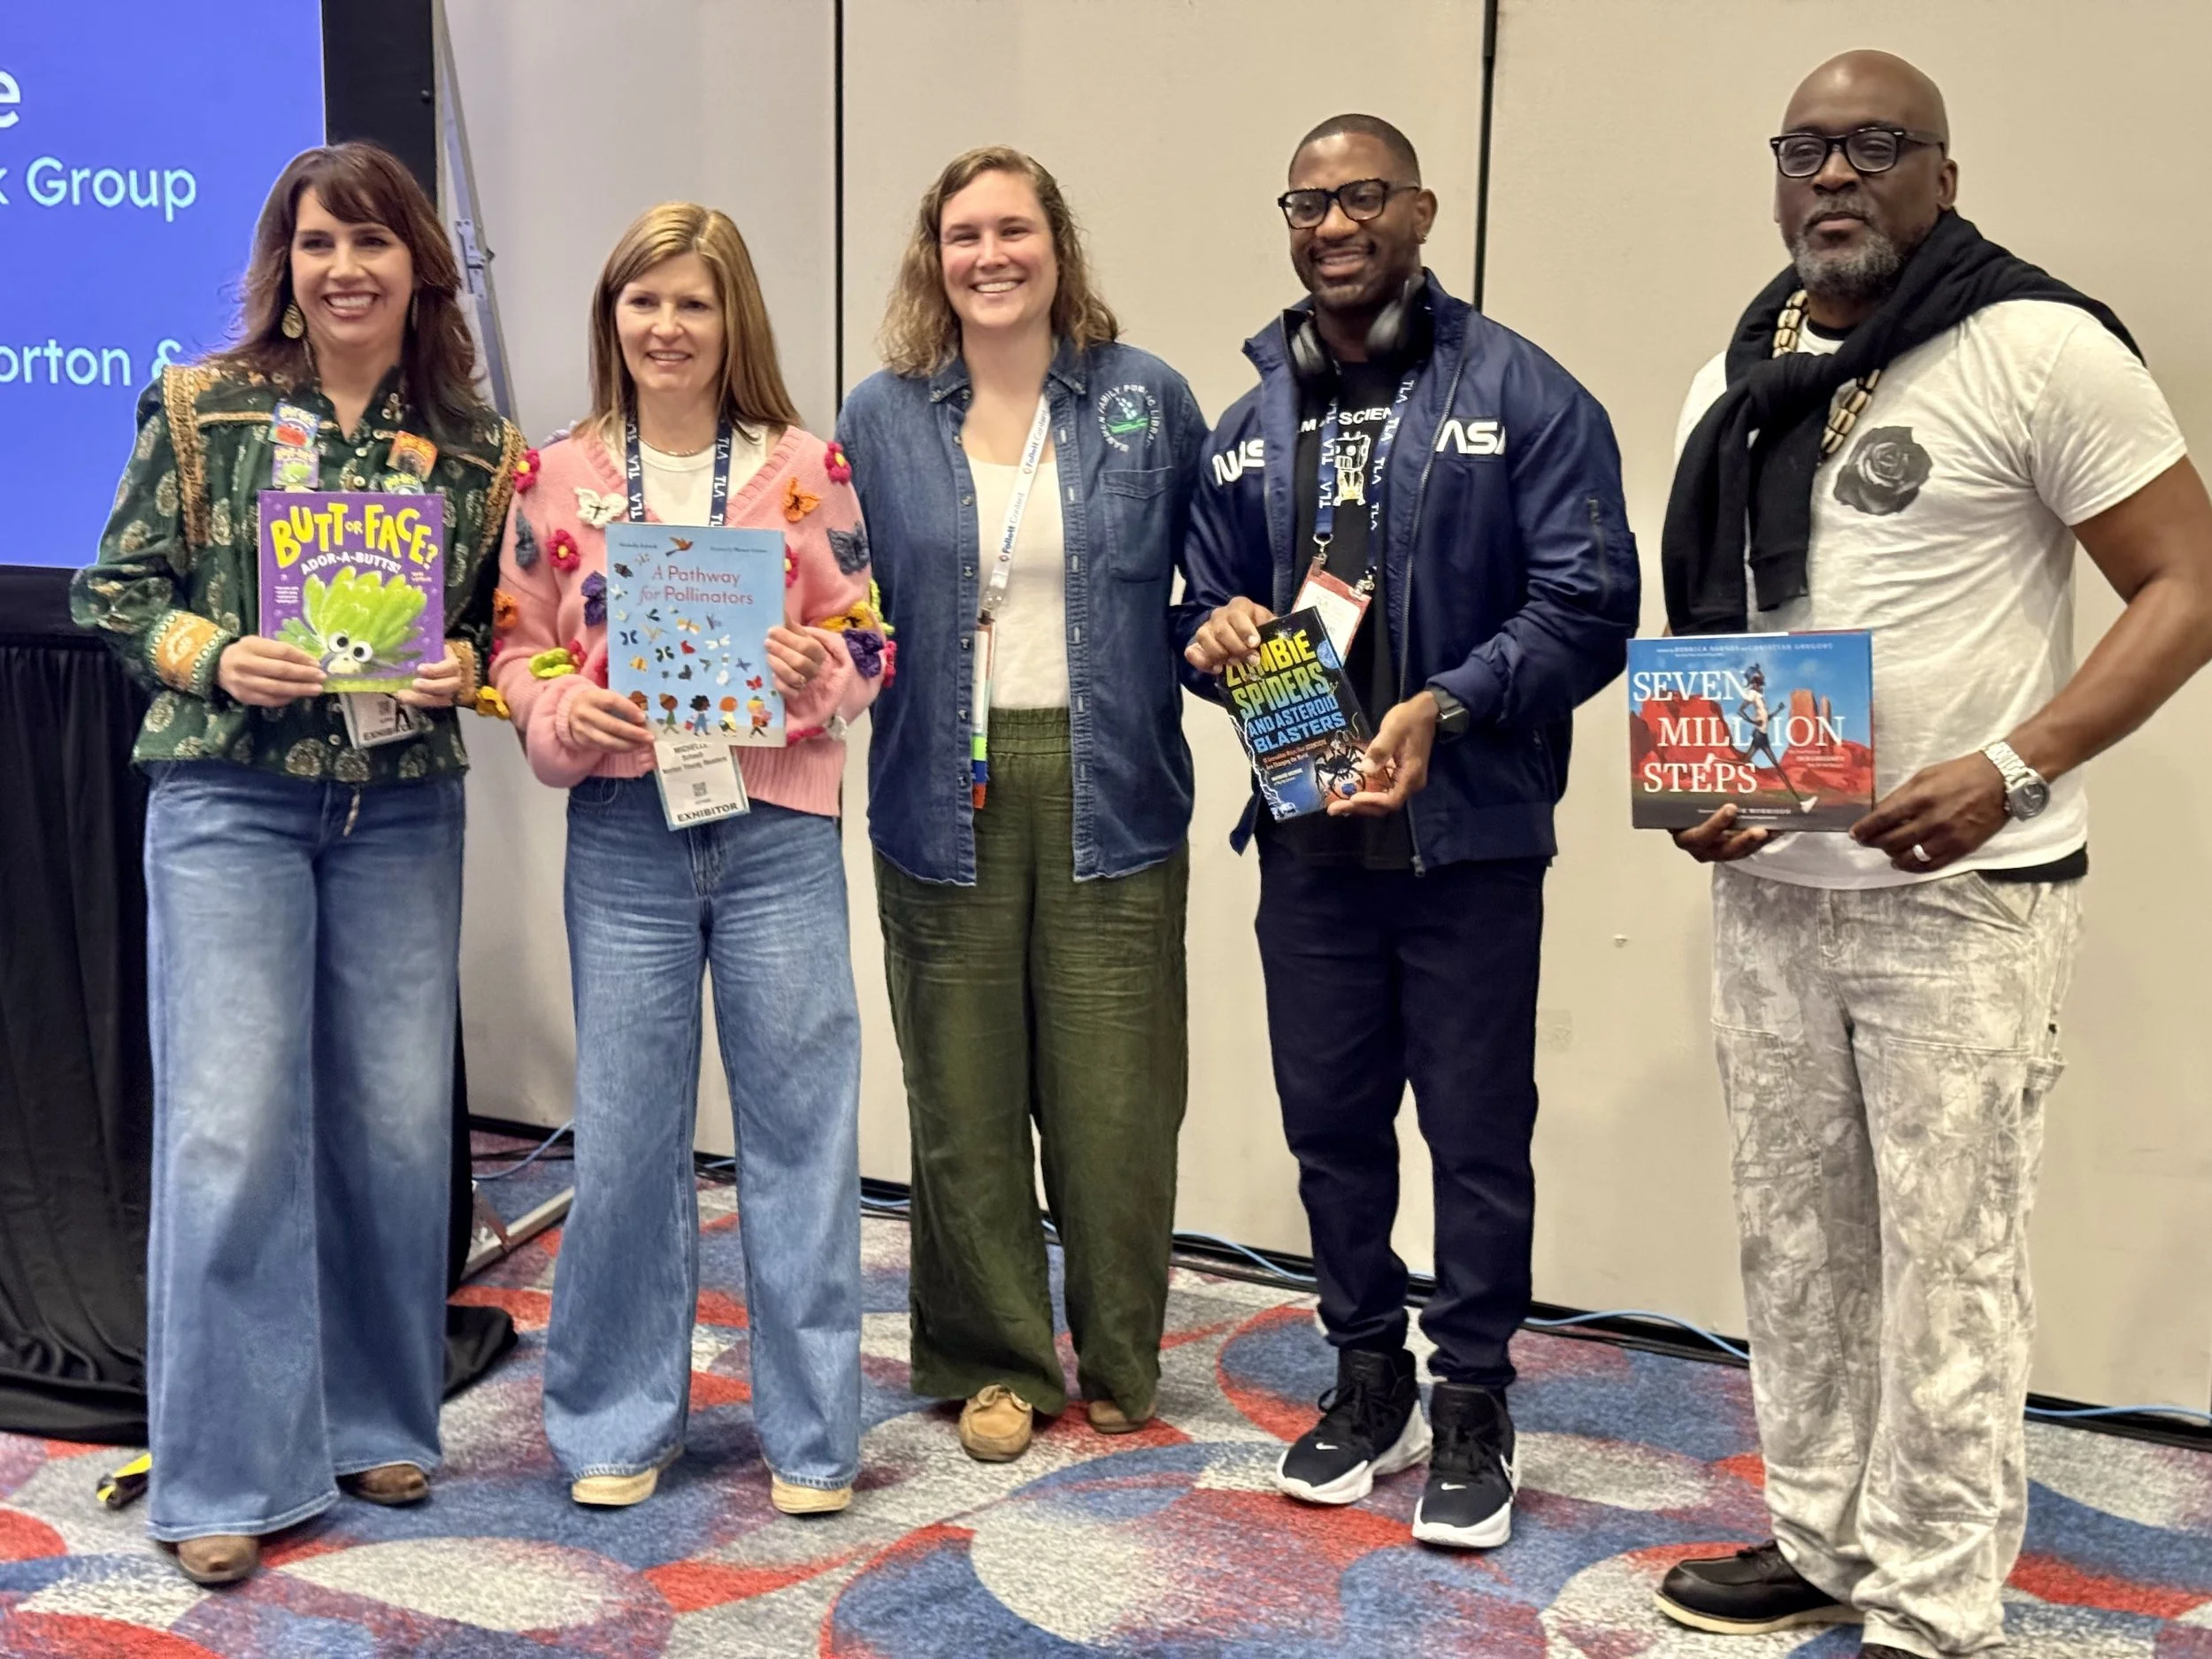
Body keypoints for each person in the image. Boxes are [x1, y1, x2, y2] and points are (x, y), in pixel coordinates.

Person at [1655, 52, 2212, 1659]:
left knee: (1949, 1255)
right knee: (1795, 1234)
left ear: (1944, 178)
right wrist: (1710, 775)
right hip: (1774, 893)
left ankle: (1935, 1598)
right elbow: (1747, 636)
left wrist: (2015, 762)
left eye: (1877, 146)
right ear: (1777, 178)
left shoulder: (2037, 349)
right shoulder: (1731, 379)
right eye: (1809, 149)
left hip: (1964, 899)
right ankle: (1824, 1535)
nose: (1837, 174)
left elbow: (2184, 585)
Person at [69, 142, 523, 1585]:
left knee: (396, 1130)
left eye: (375, 242)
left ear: (420, 265)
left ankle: (382, 1415)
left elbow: (501, 633)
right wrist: (214, 653)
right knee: (228, 1131)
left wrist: (468, 662)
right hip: (229, 803)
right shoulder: (205, 407)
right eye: (322, 241)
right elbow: (114, 588)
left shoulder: (478, 446)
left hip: (398, 809)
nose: (348, 268)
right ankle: (221, 1469)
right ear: (287, 259)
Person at [1183, 114, 1639, 1550]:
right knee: (1330, 1126)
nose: (1331, 223)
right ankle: (1366, 1369)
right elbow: (1183, 603)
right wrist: (1215, 628)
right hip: (1307, 833)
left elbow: (1589, 604)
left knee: (1477, 1132)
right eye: (1306, 202)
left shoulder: (1528, 393)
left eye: (1361, 195)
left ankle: (1477, 1397)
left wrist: (1447, 701)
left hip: (1472, 844)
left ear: (1422, 209)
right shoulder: (1251, 421)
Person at [490, 204, 882, 1517]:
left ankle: (816, 1435)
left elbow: (870, 640)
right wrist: (559, 700)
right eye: (643, 300)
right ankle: (615, 1419)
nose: (667, 326)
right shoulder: (552, 476)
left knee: (801, 1134)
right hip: (624, 835)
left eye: (694, 303)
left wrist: (821, 666)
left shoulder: (802, 468)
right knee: (627, 1140)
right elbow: (513, 643)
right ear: (613, 316)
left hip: (777, 831)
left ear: (734, 322)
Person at [836, 147, 1207, 1462]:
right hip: (941, 789)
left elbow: (1215, 590)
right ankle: (993, 1357)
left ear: (1059, 245)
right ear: (932, 258)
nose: (989, 255)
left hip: (1116, 785)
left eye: (1013, 229)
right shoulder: (878, 417)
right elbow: (835, 603)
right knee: (965, 1094)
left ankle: (1119, 1347)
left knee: (1118, 1098)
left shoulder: (1145, 400)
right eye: (962, 234)